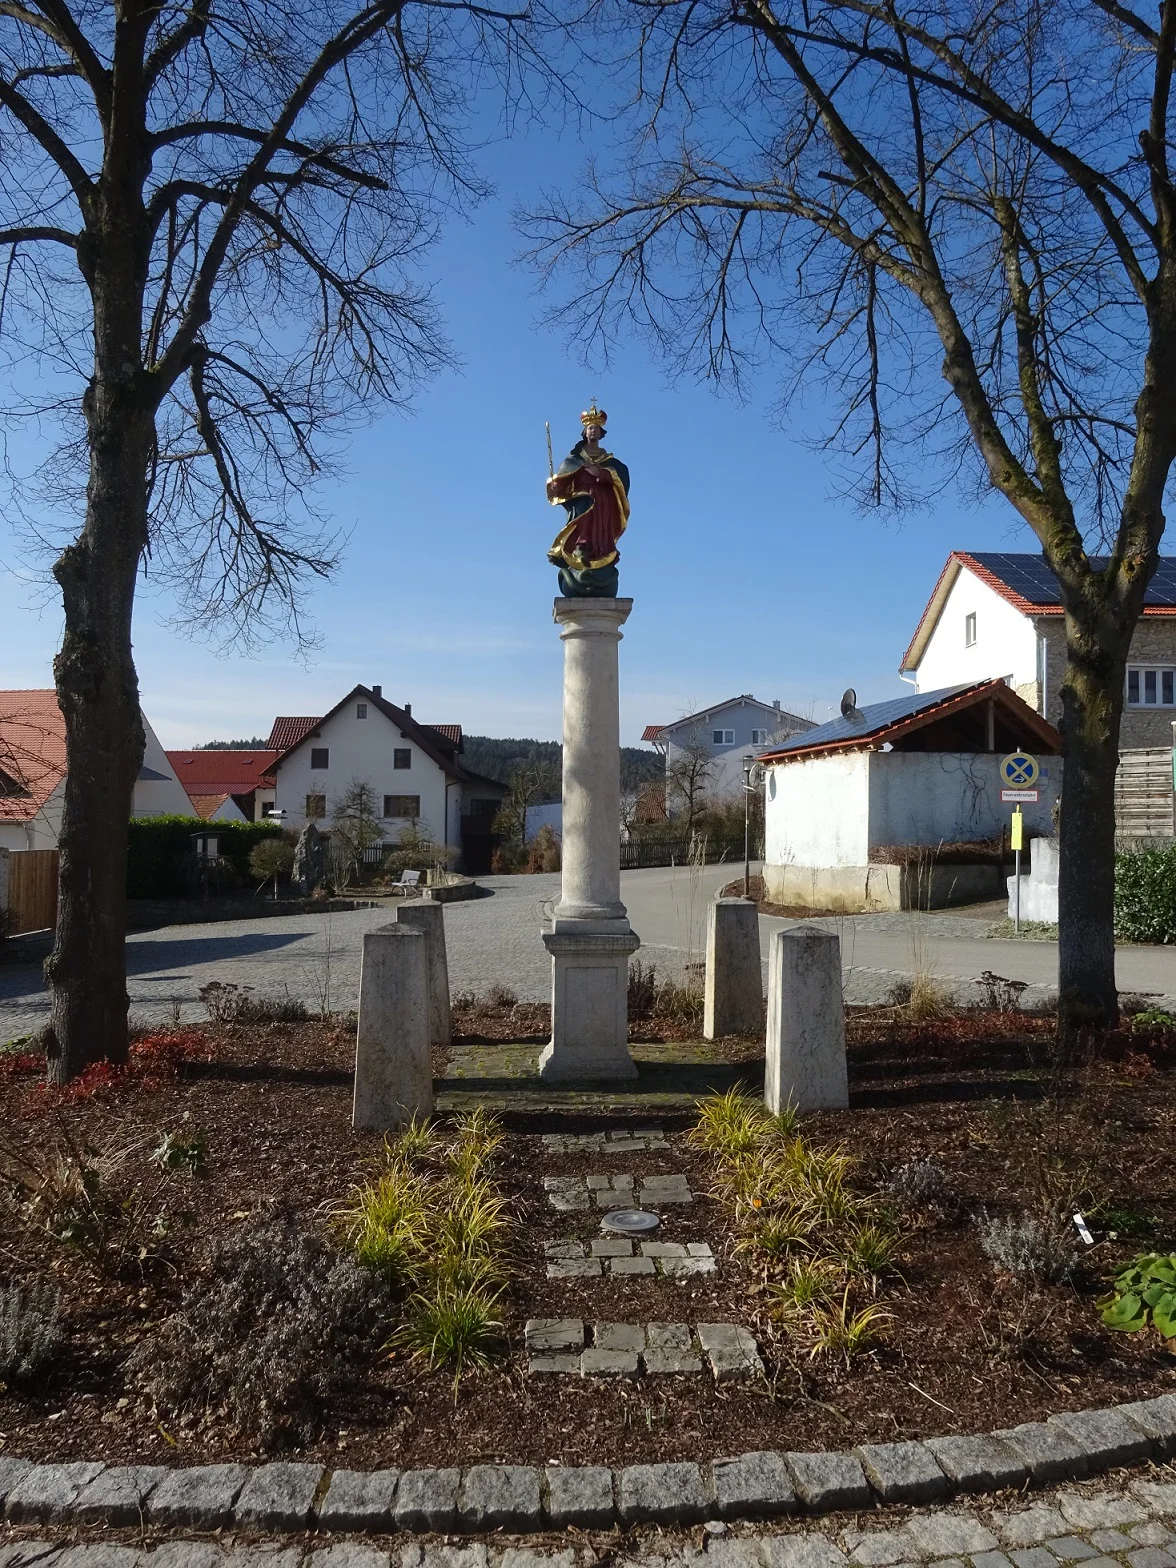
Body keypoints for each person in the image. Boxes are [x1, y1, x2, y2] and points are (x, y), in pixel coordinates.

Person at [546, 403, 630, 596]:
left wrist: (602, 473)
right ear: (585, 432)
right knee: (583, 519)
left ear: (601, 433)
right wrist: (554, 487)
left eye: (597, 429)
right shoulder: (574, 459)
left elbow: (621, 477)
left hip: (603, 502)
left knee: (601, 531)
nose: (593, 432)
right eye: (590, 428)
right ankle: (580, 549)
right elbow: (562, 481)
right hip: (583, 502)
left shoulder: (609, 461)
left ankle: (599, 553)